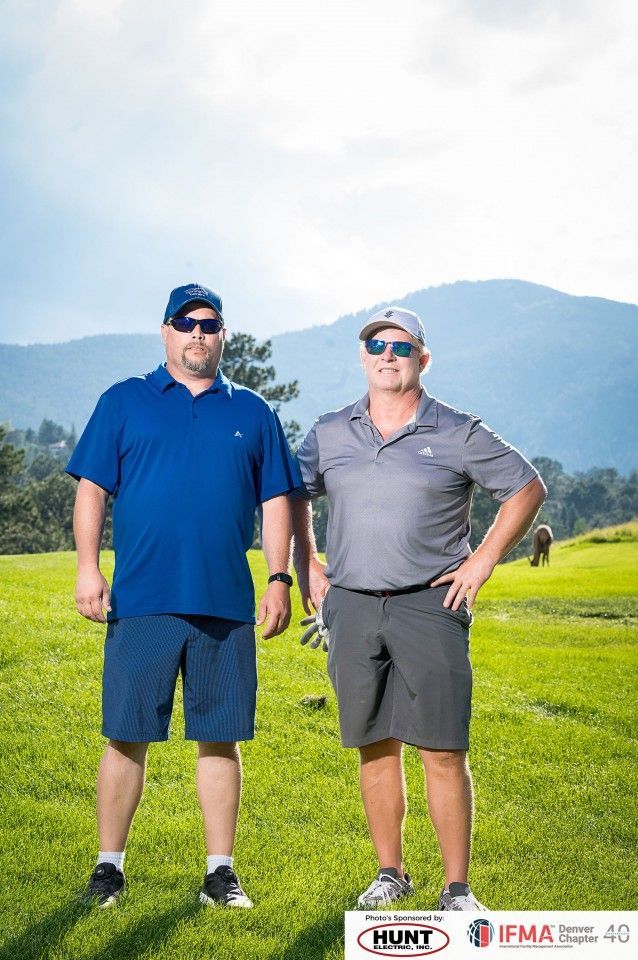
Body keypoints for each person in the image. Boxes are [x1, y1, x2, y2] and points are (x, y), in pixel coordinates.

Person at [291, 306, 546, 910]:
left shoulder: (457, 430)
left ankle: (456, 890)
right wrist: (308, 562)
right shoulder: (328, 432)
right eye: (376, 345)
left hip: (431, 605)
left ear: (421, 360)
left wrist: (481, 562)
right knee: (375, 746)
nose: (386, 355)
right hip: (350, 607)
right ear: (362, 356)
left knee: (441, 748)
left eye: (400, 348)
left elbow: (527, 486)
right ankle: (391, 873)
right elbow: (290, 495)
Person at [66, 282, 300, 909]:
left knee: (219, 737)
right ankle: (108, 868)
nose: (198, 333)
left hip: (226, 604)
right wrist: (89, 569)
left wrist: (279, 578)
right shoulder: (123, 402)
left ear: (223, 335)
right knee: (125, 734)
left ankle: (219, 873)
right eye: (186, 323)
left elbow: (277, 498)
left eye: (210, 324)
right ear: (165, 331)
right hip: (142, 599)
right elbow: (92, 490)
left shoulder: (254, 411)